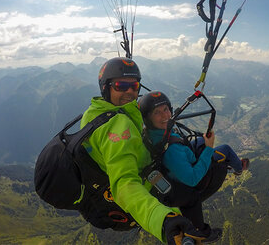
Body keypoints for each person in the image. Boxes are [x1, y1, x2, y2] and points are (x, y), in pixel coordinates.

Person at [79, 57, 205, 244]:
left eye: (135, 85)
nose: (130, 91)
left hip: (140, 176)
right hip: (144, 189)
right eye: (121, 85)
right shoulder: (118, 127)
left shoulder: (94, 113)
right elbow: (125, 184)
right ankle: (197, 231)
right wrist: (163, 220)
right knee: (192, 192)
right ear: (106, 87)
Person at [138, 91, 249, 243]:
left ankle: (228, 161)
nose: (165, 115)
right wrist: (209, 148)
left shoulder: (153, 133)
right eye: (157, 112)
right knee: (225, 150)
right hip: (190, 178)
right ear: (148, 118)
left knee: (200, 140)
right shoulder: (171, 150)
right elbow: (193, 179)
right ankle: (238, 169)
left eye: (165, 109)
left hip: (179, 161)